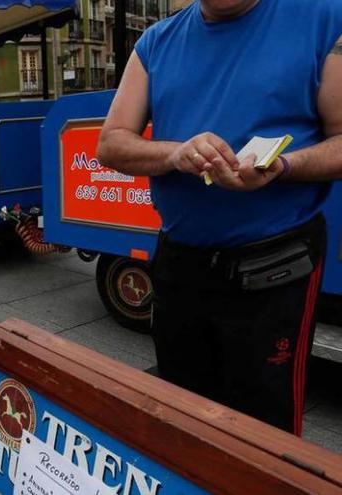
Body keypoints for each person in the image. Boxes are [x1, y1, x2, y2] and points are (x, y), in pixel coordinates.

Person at [96, 0, 342, 435]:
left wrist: (284, 167)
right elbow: (111, 143)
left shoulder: (325, 19)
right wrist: (174, 152)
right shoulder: (157, 41)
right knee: (182, 417)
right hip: (180, 264)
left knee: (263, 430)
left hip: (274, 268)